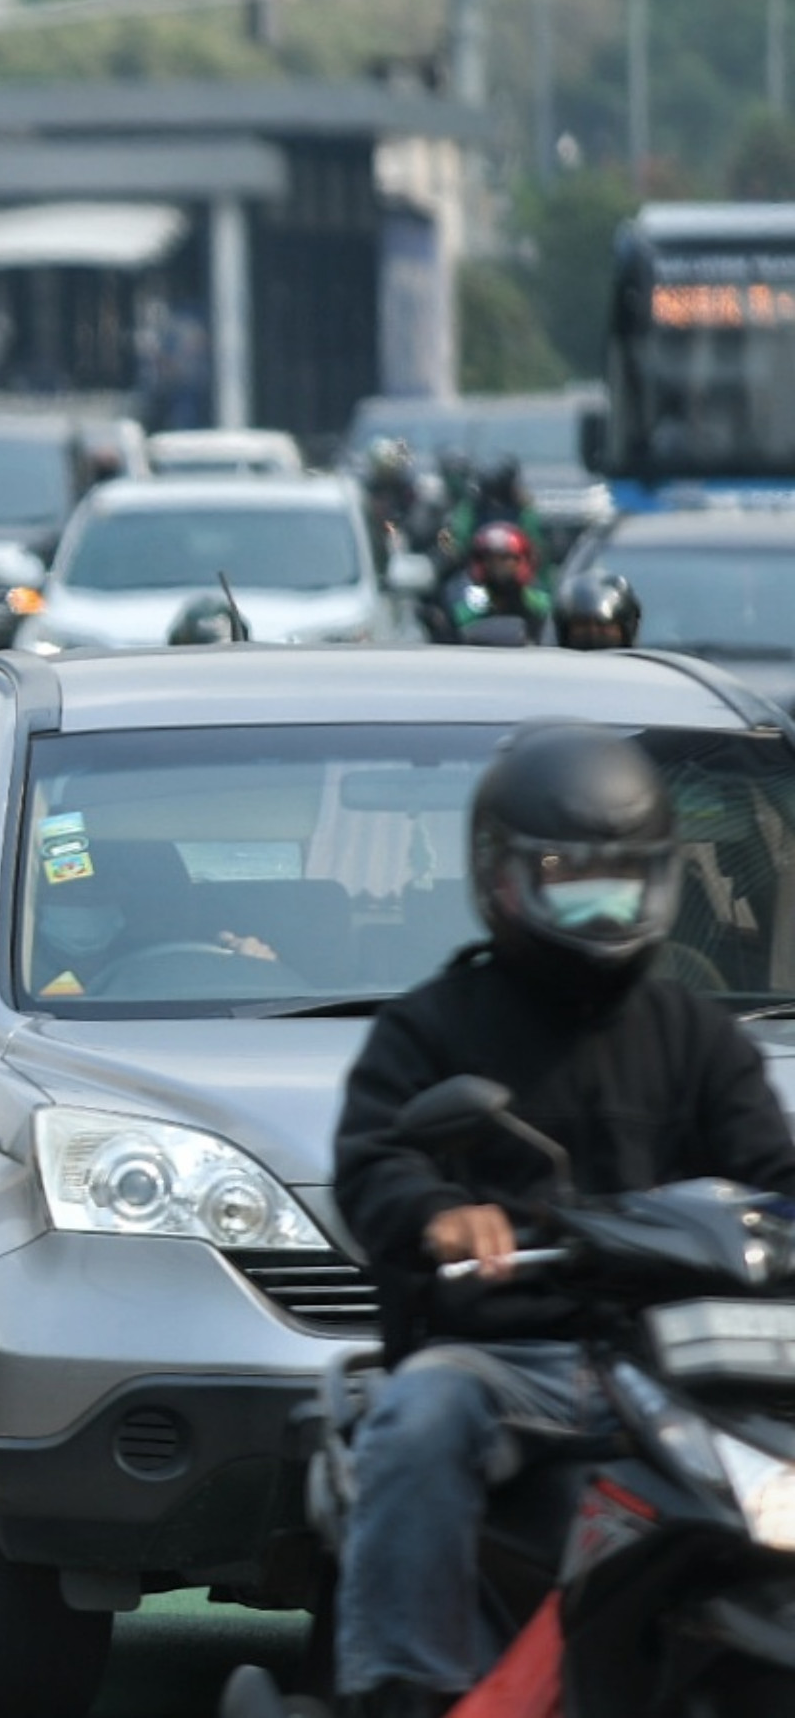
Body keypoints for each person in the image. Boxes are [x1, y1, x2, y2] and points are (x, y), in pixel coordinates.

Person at [329, 724, 795, 1718]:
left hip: (683, 1361)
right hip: (511, 1357)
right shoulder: (431, 1026)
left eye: (624, 879)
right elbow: (374, 1164)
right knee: (421, 1416)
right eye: (568, 877)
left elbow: (774, 1174)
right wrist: (441, 1215)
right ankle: (408, 1685)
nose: (602, 903)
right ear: (498, 878)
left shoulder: (698, 1036)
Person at [427, 522, 550, 645]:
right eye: (490, 558)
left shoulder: (539, 605)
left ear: (521, 560)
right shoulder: (468, 605)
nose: (498, 565)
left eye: (505, 558)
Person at [551, 567, 642, 650]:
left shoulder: (642, 663)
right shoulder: (551, 662)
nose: (593, 632)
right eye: (583, 624)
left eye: (602, 624)